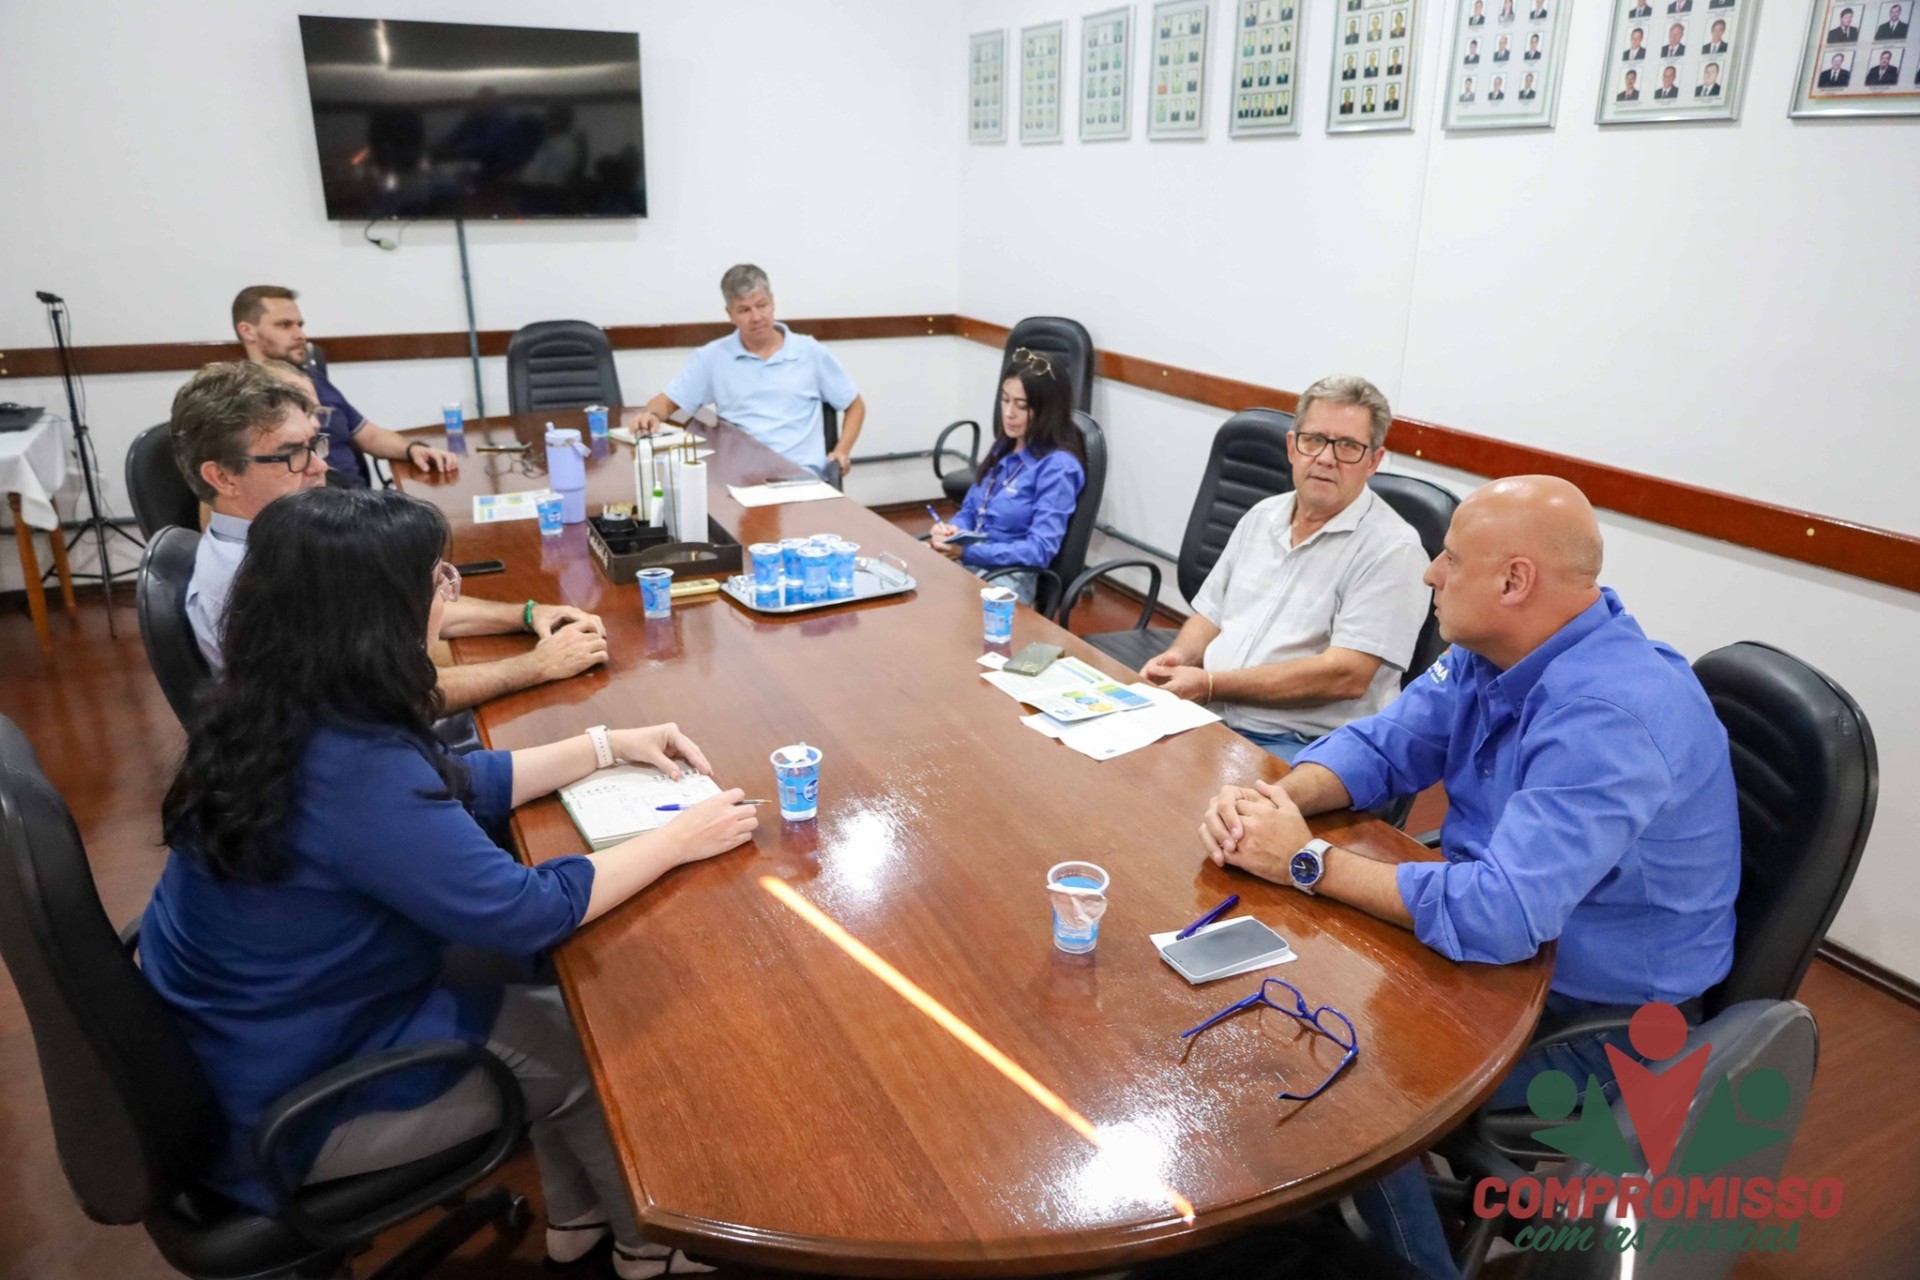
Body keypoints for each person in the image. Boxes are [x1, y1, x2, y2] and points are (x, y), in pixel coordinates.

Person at [142, 485, 760, 1279]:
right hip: (292, 1105)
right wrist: (680, 837)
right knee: (594, 1049)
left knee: (555, 1008)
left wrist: (605, 746)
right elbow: (530, 910)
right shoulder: (353, 769)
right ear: (376, 614)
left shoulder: (277, 704)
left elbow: (453, 780)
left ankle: (577, 1226)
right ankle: (646, 1252)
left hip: (249, 1036)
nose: (447, 591)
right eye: (433, 578)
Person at [1198, 476, 1739, 1280]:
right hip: (1502, 953)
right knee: (1273, 1012)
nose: (1430, 573)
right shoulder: (1496, 653)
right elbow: (1385, 745)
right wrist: (1276, 800)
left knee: (1340, 1077)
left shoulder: (1611, 715)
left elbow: (1499, 913)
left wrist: (1304, 860)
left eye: (1449, 558)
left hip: (1598, 1017)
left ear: (1513, 582)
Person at [172, 362, 608, 708]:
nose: (320, 466)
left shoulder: (295, 542)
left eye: (314, 444)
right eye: (292, 455)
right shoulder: (257, 583)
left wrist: (527, 615)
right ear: (223, 476)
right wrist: (534, 667)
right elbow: (387, 701)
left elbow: (398, 608)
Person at [1140, 376, 1429, 765]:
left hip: (1303, 742)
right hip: (1212, 715)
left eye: (1347, 446)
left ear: (1373, 462)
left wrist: (1211, 684)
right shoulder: (1262, 516)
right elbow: (1212, 614)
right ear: (1293, 447)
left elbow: (1346, 675)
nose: (1326, 458)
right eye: (1314, 440)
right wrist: (1177, 658)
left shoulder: (1393, 549)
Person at [635, 264, 865, 482]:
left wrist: (841, 451)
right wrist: (651, 416)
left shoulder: (809, 352)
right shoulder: (712, 357)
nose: (756, 317)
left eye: (761, 305)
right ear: (730, 314)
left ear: (773, 302)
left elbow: (855, 404)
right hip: (740, 481)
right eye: (744, 310)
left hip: (801, 477)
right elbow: (667, 402)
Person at [232, 286, 460, 487]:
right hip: (316, 511)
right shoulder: (241, 397)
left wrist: (413, 449)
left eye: (300, 325)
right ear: (248, 331)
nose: (301, 335)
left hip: (358, 500)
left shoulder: (314, 379)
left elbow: (369, 435)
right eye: (285, 325)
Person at [927, 352, 1086, 606]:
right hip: (971, 564)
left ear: (1048, 410)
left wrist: (967, 552)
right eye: (1005, 400)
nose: (1009, 413)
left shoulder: (1058, 467)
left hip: (1007, 580)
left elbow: (1039, 551)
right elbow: (970, 509)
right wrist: (953, 531)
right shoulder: (1006, 444)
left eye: (1022, 406)